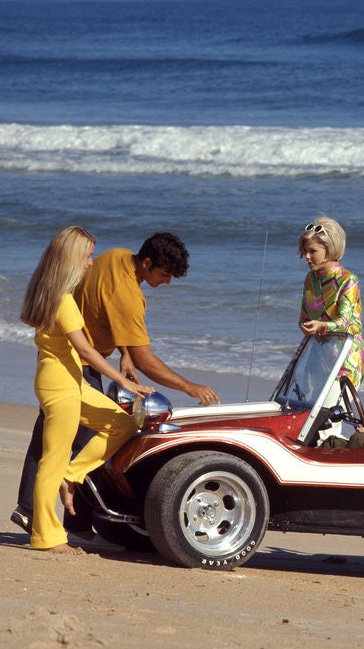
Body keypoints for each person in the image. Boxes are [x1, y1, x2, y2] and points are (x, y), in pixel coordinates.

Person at [11, 231, 220, 533]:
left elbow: (106, 312)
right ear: (147, 263)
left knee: (47, 437)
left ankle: (30, 509)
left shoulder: (116, 257)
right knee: (86, 443)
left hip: (61, 357)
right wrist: (190, 387)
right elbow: (146, 360)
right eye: (164, 274)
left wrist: (124, 353)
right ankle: (76, 520)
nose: (168, 282)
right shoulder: (128, 296)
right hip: (79, 364)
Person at [20, 226, 154, 555]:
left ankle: (74, 474)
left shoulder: (46, 290)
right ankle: (46, 537)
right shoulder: (62, 301)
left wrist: (122, 353)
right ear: (70, 259)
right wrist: (123, 381)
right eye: (87, 256)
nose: (91, 263)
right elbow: (87, 352)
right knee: (51, 460)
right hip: (61, 385)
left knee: (123, 424)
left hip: (67, 379)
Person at [298, 216, 364, 386]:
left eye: (312, 251)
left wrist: (321, 326)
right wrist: (304, 325)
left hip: (345, 359)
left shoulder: (348, 280)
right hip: (318, 356)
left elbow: (348, 323)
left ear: (329, 250)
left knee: (335, 410)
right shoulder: (310, 279)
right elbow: (304, 316)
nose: (306, 256)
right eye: (305, 250)